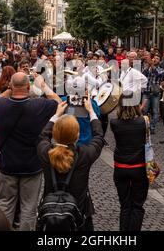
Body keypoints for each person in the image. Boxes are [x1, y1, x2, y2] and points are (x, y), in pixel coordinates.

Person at [0, 72, 61, 230]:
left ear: (10, 86)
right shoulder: (39, 105)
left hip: (8, 164)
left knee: (5, 204)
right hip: (32, 165)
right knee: (29, 208)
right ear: (29, 86)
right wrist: (42, 84)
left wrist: (11, 87)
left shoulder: (0, 105)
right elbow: (58, 102)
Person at [37, 99, 105, 231]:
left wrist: (56, 115)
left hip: (49, 215)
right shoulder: (84, 154)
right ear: (77, 135)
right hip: (79, 215)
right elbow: (98, 136)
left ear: (55, 134)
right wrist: (91, 112)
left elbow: (43, 136)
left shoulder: (46, 152)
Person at [110, 93, 148, 231]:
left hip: (120, 167)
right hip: (139, 167)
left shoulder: (114, 123)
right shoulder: (144, 121)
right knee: (137, 206)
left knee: (125, 205)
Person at [141, 54, 164, 134]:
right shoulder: (147, 68)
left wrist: (152, 65)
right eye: (154, 58)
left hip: (155, 93)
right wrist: (148, 66)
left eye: (157, 59)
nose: (155, 60)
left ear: (159, 61)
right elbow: (142, 75)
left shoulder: (161, 69)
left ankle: (152, 126)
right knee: (144, 110)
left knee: (155, 112)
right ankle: (146, 126)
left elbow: (158, 74)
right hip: (146, 92)